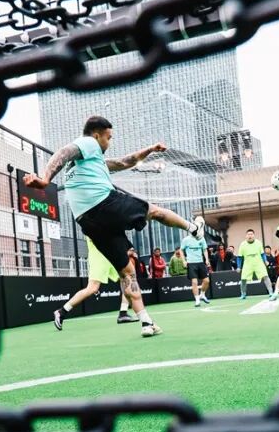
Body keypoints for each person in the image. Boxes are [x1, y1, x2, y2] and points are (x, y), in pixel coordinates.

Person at [23, 115, 205, 338]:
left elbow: (125, 162)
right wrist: (45, 179)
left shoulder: (91, 162)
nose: (109, 142)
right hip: (104, 204)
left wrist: (150, 149)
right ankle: (193, 228)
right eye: (108, 138)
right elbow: (63, 152)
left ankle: (146, 322)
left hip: (88, 222)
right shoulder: (88, 143)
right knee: (154, 211)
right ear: (97, 135)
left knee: (127, 272)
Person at [53, 237, 139, 330]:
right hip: (98, 257)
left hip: (108, 256)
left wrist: (126, 250)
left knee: (126, 279)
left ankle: (123, 313)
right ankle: (62, 312)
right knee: (92, 288)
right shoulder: (91, 229)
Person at [237, 229, 274, 299]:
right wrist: (238, 267)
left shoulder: (258, 243)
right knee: (243, 279)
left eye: (251, 234)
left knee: (266, 277)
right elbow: (239, 257)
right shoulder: (242, 244)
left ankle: (271, 292)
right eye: (248, 234)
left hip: (258, 263)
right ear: (246, 236)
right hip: (247, 264)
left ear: (254, 235)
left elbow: (262, 254)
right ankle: (243, 294)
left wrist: (265, 260)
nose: (250, 236)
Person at [181, 231, 211, 306]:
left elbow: (204, 249)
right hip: (191, 263)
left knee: (207, 281)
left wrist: (207, 259)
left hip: (200, 262)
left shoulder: (201, 238)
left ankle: (202, 294)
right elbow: (181, 250)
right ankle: (197, 300)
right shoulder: (186, 240)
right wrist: (184, 260)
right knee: (194, 282)